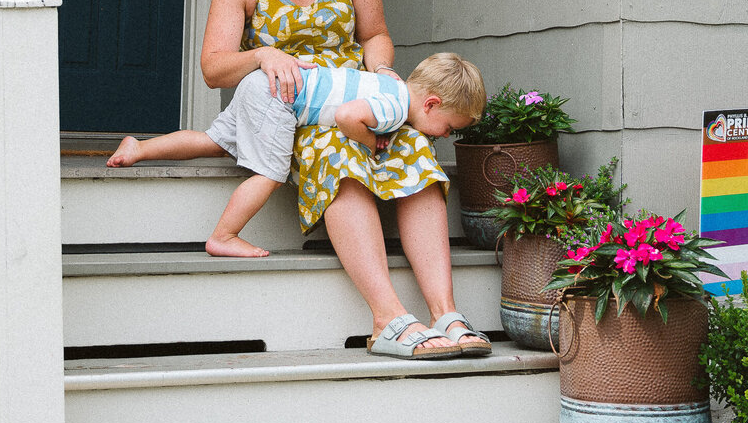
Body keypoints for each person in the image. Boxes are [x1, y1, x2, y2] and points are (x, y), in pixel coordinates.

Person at [114, 0, 493, 361]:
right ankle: (387, 320)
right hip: (295, 110)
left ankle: (445, 313)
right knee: (336, 153)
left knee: (417, 156)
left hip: (358, 91)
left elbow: (376, 35)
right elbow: (213, 68)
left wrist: (380, 76)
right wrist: (263, 54)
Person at [108, 50, 486, 269]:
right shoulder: (394, 107)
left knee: (215, 140)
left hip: (264, 83)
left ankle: (139, 148)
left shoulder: (390, 85)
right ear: (432, 104)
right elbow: (346, 117)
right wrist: (373, 141)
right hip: (281, 99)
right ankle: (223, 235)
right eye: (449, 127)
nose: (445, 136)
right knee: (269, 173)